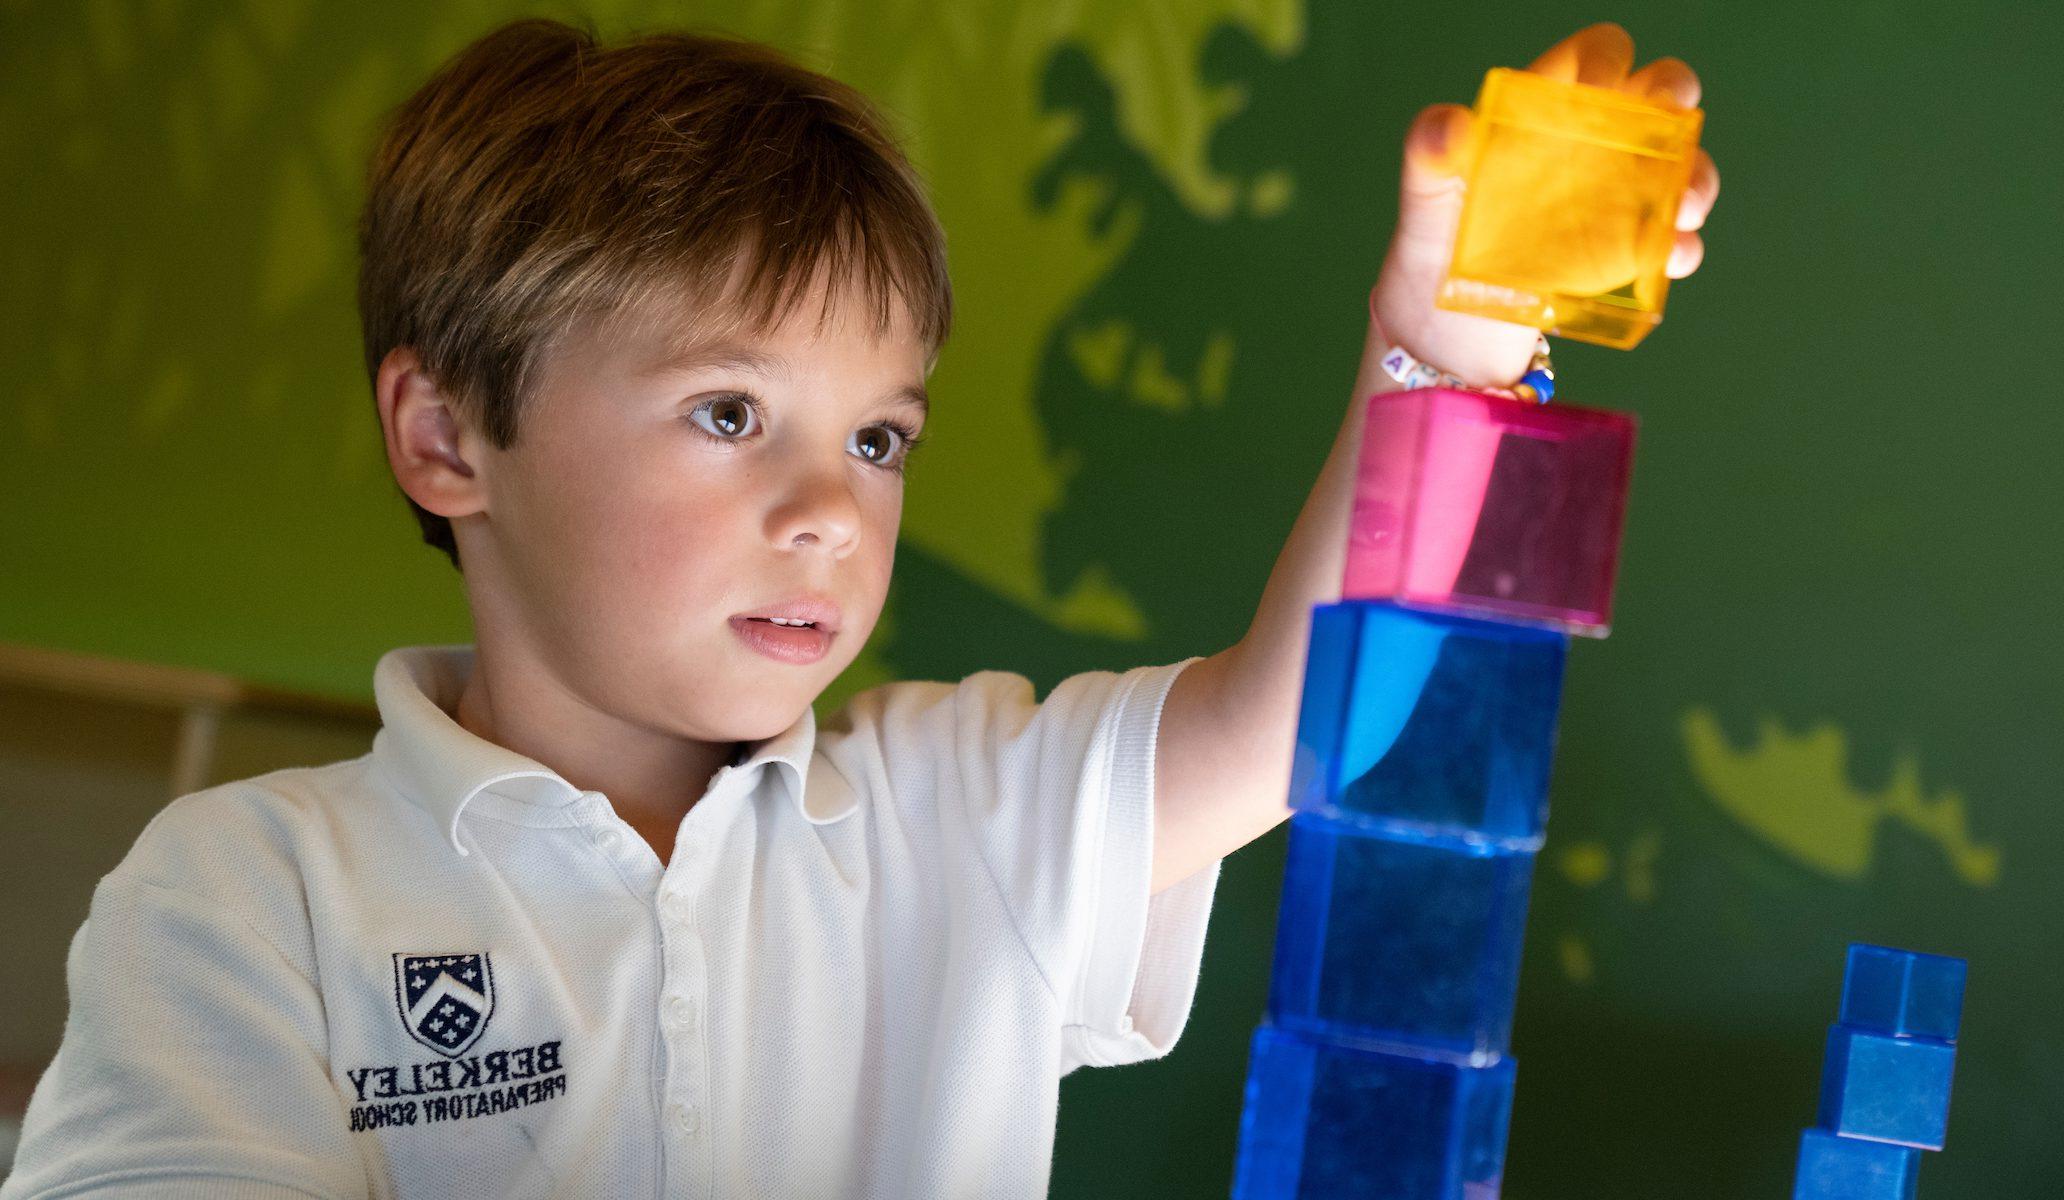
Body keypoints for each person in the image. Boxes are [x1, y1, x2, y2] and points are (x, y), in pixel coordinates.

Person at [1, 16, 1715, 1198]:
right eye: (729, 414)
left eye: (880, 435)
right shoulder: (246, 895)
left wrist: (1455, 344)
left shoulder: (955, 808)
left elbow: (1313, 714)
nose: (832, 510)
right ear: (448, 435)